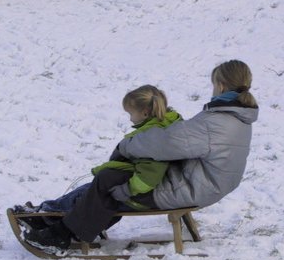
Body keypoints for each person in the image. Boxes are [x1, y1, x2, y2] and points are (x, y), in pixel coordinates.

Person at [28, 59, 258, 252]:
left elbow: (163, 143)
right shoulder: (234, 117)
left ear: (220, 85)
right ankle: (60, 219)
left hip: (191, 187)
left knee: (109, 179)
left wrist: (126, 146)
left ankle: (61, 234)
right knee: (112, 180)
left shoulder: (216, 122)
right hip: (204, 185)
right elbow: (177, 140)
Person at [15, 85, 181, 249]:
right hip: (155, 189)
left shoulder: (152, 137)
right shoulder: (161, 127)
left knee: (102, 187)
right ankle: (48, 215)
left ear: (144, 113)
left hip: (149, 194)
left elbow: (148, 178)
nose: (130, 119)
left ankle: (58, 230)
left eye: (131, 114)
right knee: (96, 186)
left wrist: (126, 189)